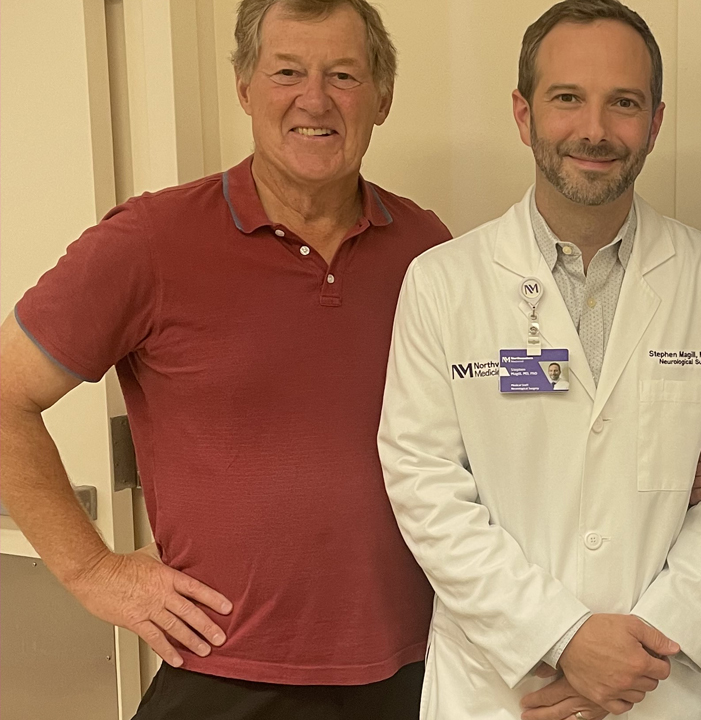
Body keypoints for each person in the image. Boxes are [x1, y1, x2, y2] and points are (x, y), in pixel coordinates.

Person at [0, 1, 450, 717]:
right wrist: (90, 571)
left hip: (413, 670)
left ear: (382, 97)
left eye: (343, 74)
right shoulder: (149, 242)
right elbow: (5, 396)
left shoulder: (428, 249)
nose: (314, 99)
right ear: (244, 87)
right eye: (286, 72)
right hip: (224, 674)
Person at [376, 2, 701, 718]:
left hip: (654, 687)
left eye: (623, 103)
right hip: (502, 689)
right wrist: (562, 638)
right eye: (567, 99)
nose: (594, 130)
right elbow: (424, 487)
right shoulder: (443, 284)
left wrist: (634, 656)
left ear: (654, 122)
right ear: (525, 116)